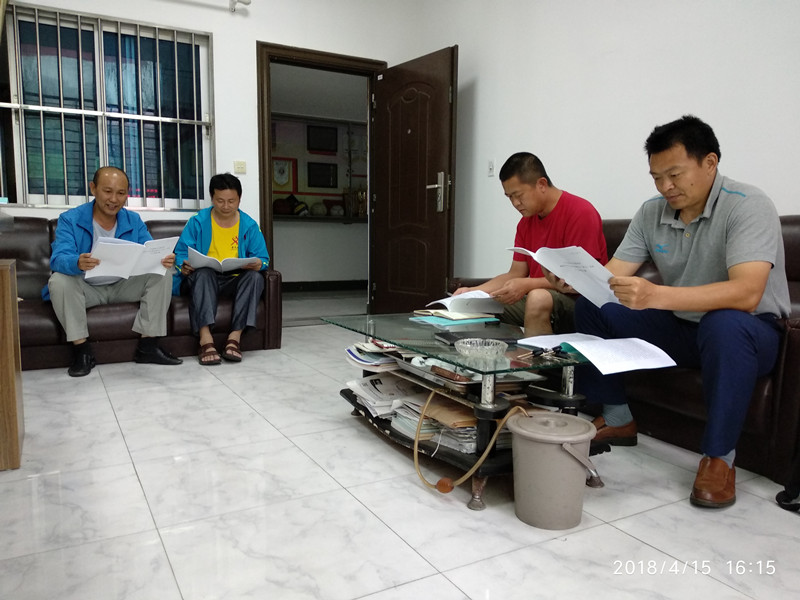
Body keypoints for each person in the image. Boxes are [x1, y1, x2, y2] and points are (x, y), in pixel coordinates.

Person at [568, 115, 790, 508]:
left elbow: (747, 293)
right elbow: (612, 278)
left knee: (724, 323)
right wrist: (575, 279)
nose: (665, 187)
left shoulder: (748, 205)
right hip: (683, 328)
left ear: (710, 163)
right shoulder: (652, 212)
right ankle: (617, 417)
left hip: (751, 333)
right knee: (593, 305)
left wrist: (656, 296)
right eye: (657, 177)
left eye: (674, 174)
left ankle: (719, 459)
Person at [45, 166, 183, 377]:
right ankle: (82, 351)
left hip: (122, 285)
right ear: (93, 188)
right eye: (107, 191)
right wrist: (77, 262)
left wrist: (162, 259)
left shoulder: (133, 220)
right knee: (58, 281)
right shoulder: (70, 219)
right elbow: (58, 258)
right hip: (86, 288)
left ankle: (148, 347)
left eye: (121, 193)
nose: (114, 199)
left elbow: (149, 250)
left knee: (162, 274)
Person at [454, 152, 607, 335]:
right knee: (473, 305)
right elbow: (515, 273)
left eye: (518, 195)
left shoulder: (580, 212)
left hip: (581, 301)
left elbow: (580, 279)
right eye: (509, 197)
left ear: (541, 184)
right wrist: (472, 291)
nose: (515, 203)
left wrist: (527, 285)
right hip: (539, 295)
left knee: (537, 297)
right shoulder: (525, 223)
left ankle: (534, 355)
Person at [174, 173, 269, 365]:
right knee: (204, 273)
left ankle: (234, 338)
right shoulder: (197, 221)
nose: (226, 206)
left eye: (231, 201)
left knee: (255, 278)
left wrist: (259, 264)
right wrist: (183, 265)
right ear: (212, 198)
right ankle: (205, 339)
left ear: (239, 199)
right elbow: (181, 253)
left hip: (233, 279)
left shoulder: (249, 225)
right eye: (220, 201)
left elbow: (263, 258)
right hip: (202, 278)